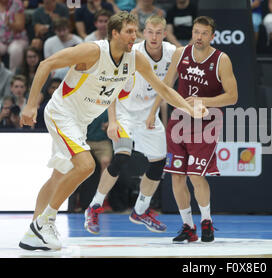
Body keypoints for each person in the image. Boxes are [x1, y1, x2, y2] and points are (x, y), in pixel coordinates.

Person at [18, 11, 207, 251]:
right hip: (62, 113)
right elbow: (46, 64)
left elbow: (163, 89)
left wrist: (187, 107)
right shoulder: (93, 51)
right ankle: (44, 222)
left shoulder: (135, 59)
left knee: (59, 176)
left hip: (81, 121)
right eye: (129, 31)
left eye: (135, 30)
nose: (134, 35)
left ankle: (33, 232)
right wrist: (31, 103)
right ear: (114, 33)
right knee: (86, 165)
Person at [84, 15, 175, 235]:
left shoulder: (172, 52)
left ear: (164, 33)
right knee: (122, 155)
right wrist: (113, 120)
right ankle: (94, 207)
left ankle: (140, 211)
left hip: (148, 115)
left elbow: (169, 84)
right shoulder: (132, 52)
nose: (154, 37)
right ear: (145, 32)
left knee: (158, 162)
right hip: (124, 112)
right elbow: (113, 88)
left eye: (158, 32)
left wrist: (154, 113)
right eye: (150, 32)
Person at [162, 16, 238, 243]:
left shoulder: (221, 59)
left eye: (204, 33)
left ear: (212, 36)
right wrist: (152, 114)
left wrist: (201, 101)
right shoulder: (180, 53)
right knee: (176, 176)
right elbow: (165, 87)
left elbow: (232, 97)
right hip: (179, 122)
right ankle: (188, 226)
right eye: (196, 32)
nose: (199, 36)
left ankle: (206, 221)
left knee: (195, 175)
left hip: (206, 123)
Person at [0, 0, 28, 73]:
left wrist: (9, 24)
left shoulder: (16, 3)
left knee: (15, 50)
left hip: (17, 39)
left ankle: (14, 76)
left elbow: (20, 27)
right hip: (1, 40)